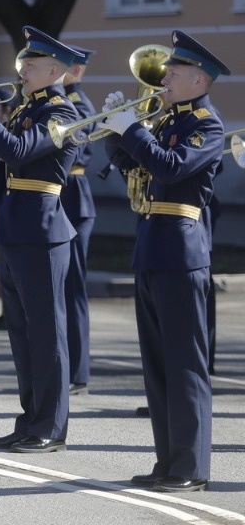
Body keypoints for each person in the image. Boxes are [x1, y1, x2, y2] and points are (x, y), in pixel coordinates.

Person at [100, 30, 228, 493]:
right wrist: (116, 132)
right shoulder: (167, 120)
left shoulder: (207, 127)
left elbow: (171, 168)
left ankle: (190, 467)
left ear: (199, 79)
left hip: (181, 250)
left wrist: (132, 130)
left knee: (185, 364)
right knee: (156, 366)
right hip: (152, 246)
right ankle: (168, 460)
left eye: (174, 72)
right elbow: (136, 168)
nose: (165, 78)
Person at [0, 26, 78, 454]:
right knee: (23, 336)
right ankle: (29, 421)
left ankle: (51, 427)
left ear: (54, 70)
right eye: (23, 60)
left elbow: (18, 152)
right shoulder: (30, 108)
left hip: (42, 228)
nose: (22, 67)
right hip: (16, 225)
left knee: (46, 334)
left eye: (31, 62)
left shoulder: (62, 114)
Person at [61, 47, 98, 394]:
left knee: (72, 289)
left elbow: (80, 146)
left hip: (73, 198)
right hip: (59, 197)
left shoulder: (78, 104)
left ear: (75, 70)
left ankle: (77, 371)